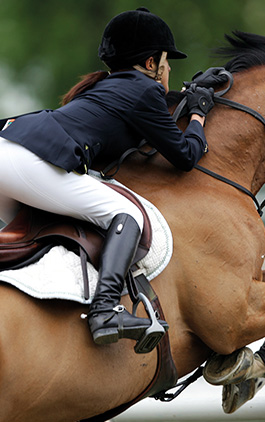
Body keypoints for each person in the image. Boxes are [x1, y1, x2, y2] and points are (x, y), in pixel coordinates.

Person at [0, 8, 215, 347]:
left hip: (11, 150)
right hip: (27, 161)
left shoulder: (107, 88)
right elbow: (186, 157)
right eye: (165, 61)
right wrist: (200, 114)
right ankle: (105, 311)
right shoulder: (145, 91)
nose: (169, 68)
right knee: (127, 215)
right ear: (149, 64)